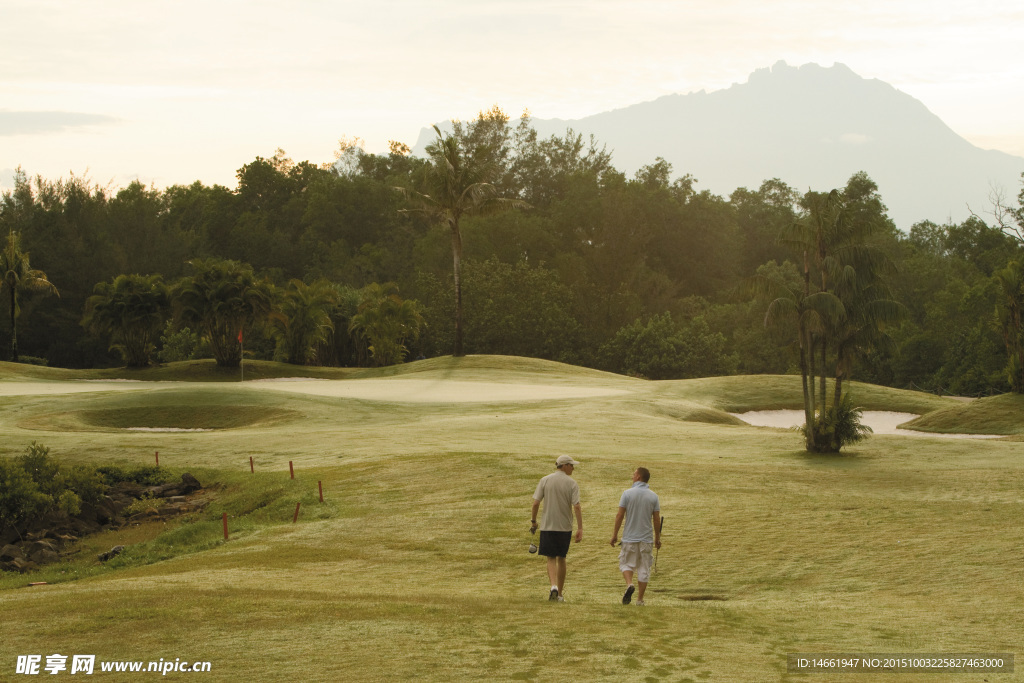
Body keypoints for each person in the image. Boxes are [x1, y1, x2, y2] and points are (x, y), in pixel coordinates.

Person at [531, 455, 583, 601]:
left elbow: (535, 503)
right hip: (564, 527)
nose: (573, 468)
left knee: (551, 557)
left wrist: (533, 521)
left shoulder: (545, 480)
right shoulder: (572, 483)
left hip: (548, 525)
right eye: (571, 465)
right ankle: (559, 593)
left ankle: (553, 585)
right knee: (562, 557)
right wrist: (580, 528)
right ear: (564, 465)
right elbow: (577, 506)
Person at [609, 467, 661, 606]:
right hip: (646, 538)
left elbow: (620, 515)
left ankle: (629, 583)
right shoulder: (653, 496)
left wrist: (614, 534)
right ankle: (640, 599)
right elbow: (656, 519)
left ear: (638, 477)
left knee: (626, 563)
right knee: (644, 568)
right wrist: (657, 538)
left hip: (629, 537)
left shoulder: (627, 494)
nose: (632, 476)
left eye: (634, 474)